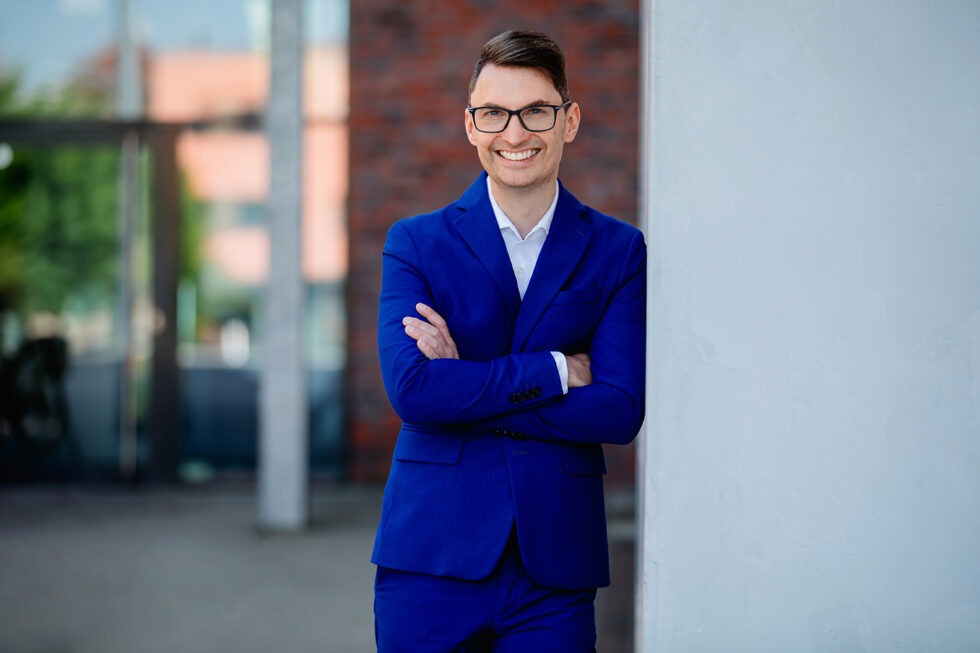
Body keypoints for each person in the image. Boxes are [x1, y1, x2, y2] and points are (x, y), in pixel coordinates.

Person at [373, 29, 646, 652]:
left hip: (556, 565)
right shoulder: (415, 243)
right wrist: (554, 371)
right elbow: (415, 392)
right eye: (494, 113)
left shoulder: (618, 250)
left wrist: (467, 385)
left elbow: (619, 409)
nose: (515, 133)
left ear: (569, 120)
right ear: (470, 125)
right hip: (430, 556)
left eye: (536, 112)